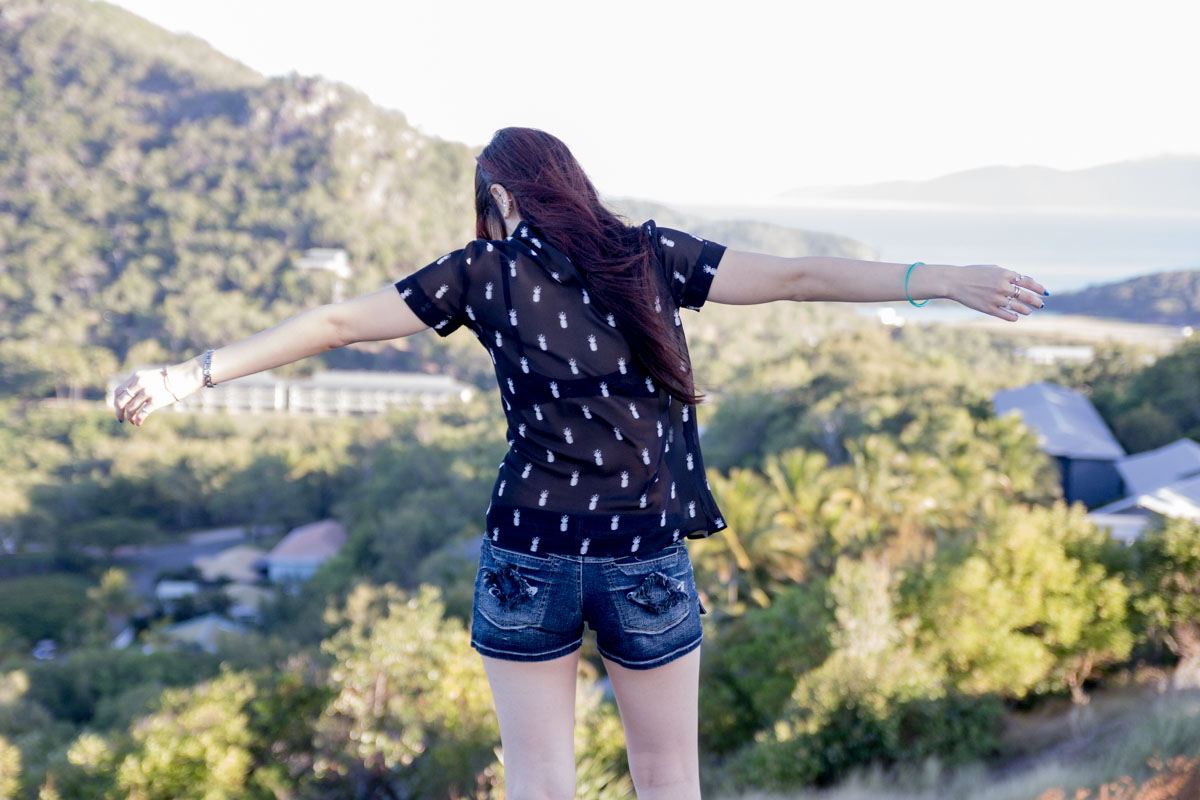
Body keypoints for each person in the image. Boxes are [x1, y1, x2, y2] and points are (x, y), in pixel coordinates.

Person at [111, 127, 1047, 798]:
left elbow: (334, 325)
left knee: (541, 781)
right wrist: (938, 280)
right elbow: (800, 278)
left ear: (504, 200)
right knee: (669, 777)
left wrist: (191, 374)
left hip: (528, 551)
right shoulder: (651, 256)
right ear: (573, 185)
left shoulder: (481, 274)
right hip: (642, 550)